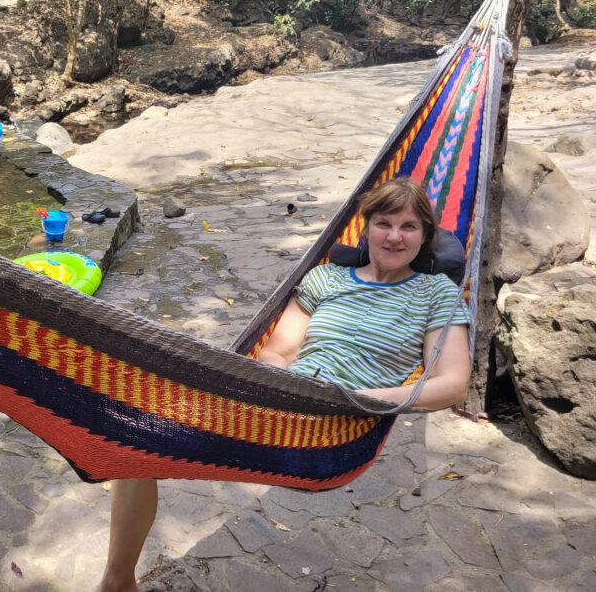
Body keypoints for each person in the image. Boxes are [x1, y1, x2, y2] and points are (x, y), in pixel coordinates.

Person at [97, 177, 471, 592]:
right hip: (282, 408)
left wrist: (363, 401)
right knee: (133, 437)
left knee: (141, 433)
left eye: (409, 227)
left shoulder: (437, 293)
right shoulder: (326, 279)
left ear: (425, 236)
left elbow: (452, 384)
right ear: (365, 227)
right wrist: (288, 388)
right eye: (384, 223)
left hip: (341, 434)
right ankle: (117, 583)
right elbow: (277, 353)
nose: (395, 237)